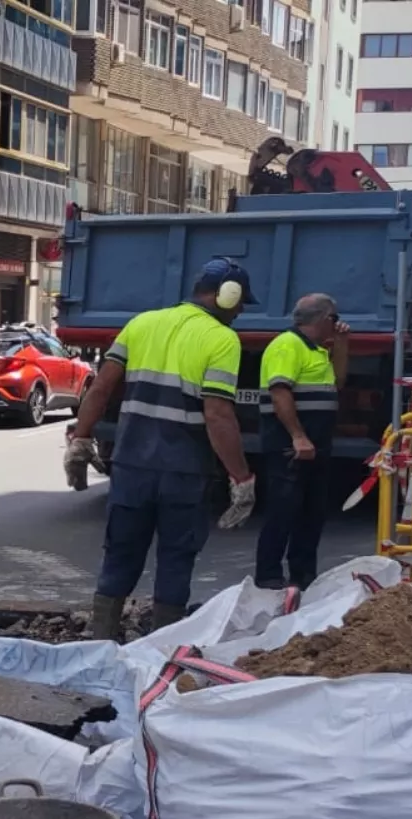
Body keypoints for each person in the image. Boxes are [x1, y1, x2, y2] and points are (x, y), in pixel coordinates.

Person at [64, 258, 260, 640]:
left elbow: (100, 389)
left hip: (131, 465)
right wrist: (242, 476)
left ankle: (101, 636)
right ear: (226, 295)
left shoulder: (141, 323)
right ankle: (163, 645)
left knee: (121, 551)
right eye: (239, 303)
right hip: (184, 473)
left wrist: (81, 440)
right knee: (175, 559)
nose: (239, 312)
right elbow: (218, 415)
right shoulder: (222, 339)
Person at [254, 293, 349, 591]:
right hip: (290, 447)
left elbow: (338, 383)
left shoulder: (317, 350)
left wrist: (343, 346)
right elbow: (280, 392)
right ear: (322, 318)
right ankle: (268, 577)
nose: (337, 324)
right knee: (283, 511)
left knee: (312, 513)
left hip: (315, 446)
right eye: (334, 319)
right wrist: (298, 436)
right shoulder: (287, 345)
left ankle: (303, 575)